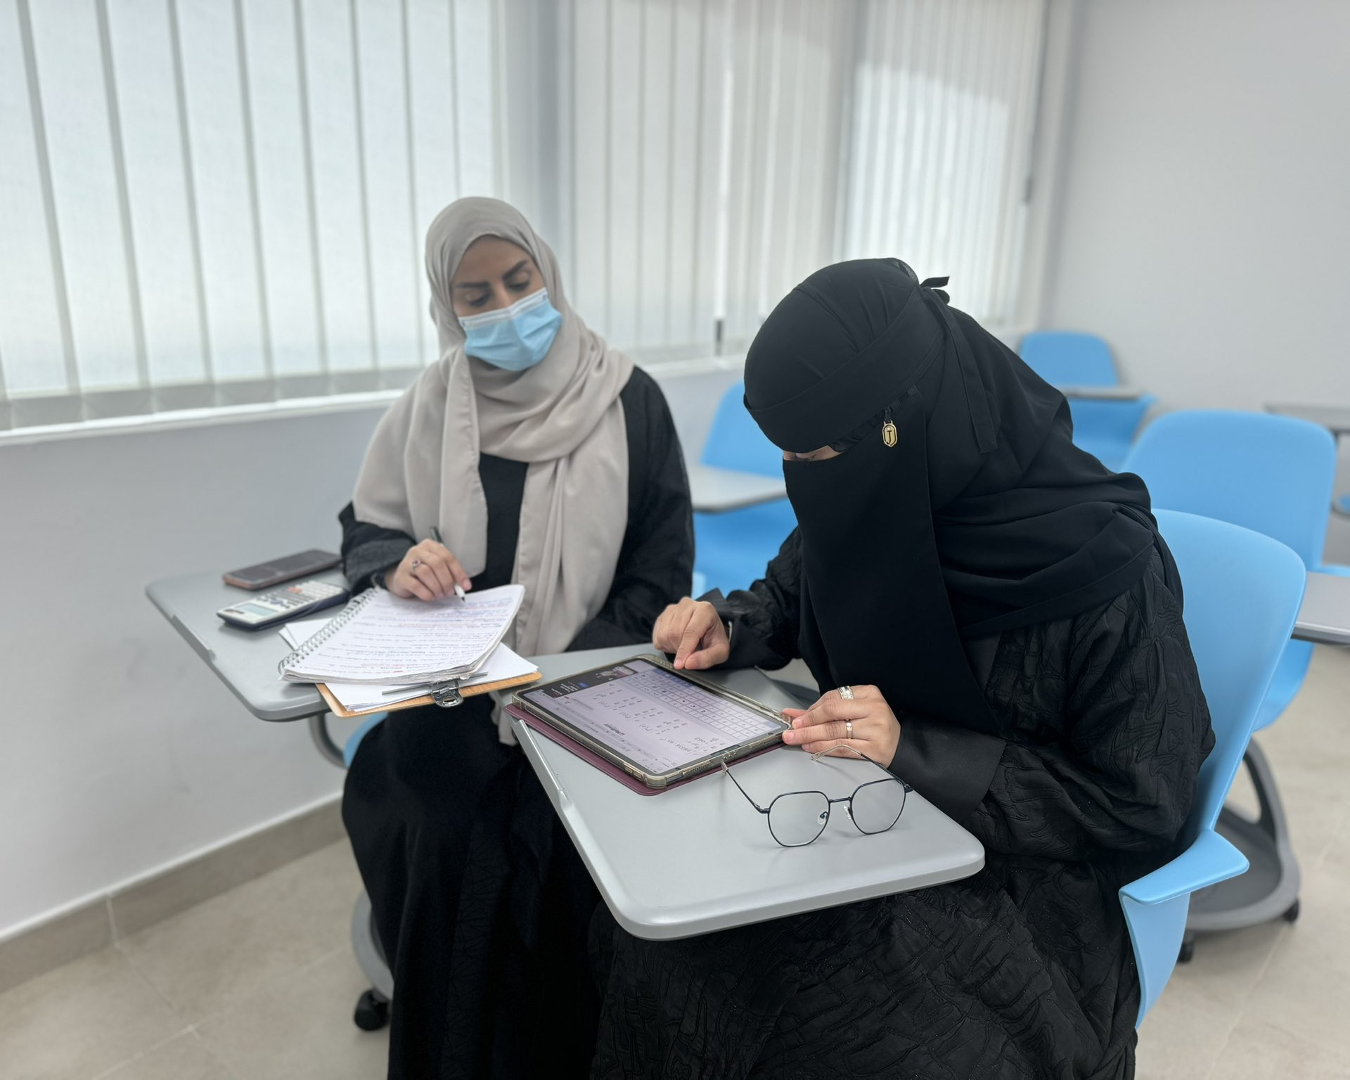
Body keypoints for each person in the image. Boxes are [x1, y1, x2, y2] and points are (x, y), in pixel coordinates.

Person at [593, 259, 1214, 1078]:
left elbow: (1143, 804)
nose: (802, 484)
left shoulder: (1104, 567)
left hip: (1027, 897)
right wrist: (729, 626)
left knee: (822, 1027)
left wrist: (915, 750)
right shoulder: (873, 489)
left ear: (901, 422)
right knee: (673, 945)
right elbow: (792, 587)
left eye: (814, 456)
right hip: (868, 822)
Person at [339, 197, 693, 1078]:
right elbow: (365, 529)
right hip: (450, 693)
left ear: (549, 273)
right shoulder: (427, 404)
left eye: (518, 280)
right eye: (476, 293)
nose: (503, 306)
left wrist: (557, 679)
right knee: (438, 823)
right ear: (444, 304)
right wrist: (399, 564)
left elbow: (661, 572)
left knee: (548, 847)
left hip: (586, 688)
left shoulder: (630, 400)